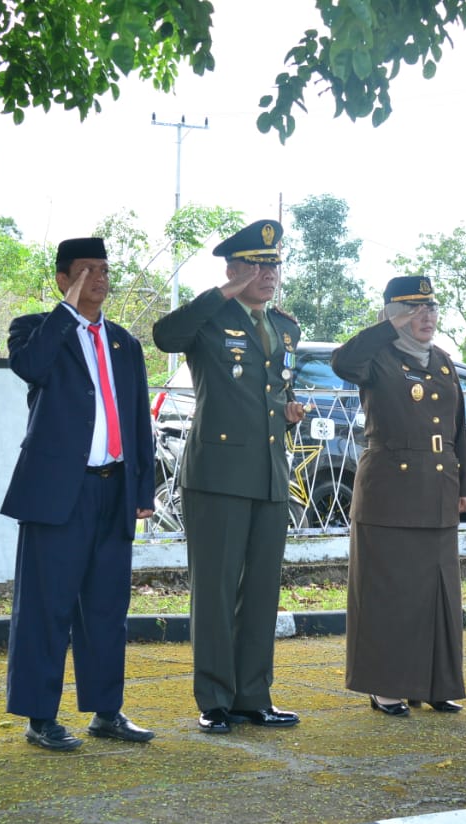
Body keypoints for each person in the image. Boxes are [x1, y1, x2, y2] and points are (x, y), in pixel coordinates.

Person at [1, 237, 157, 751]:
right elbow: (31, 368)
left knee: (107, 607)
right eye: (87, 271)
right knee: (47, 607)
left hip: (113, 489)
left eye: (106, 270)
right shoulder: (35, 330)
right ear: (63, 279)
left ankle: (106, 710)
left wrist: (143, 489)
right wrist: (66, 312)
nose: (100, 279)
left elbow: (138, 420)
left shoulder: (124, 343)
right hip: (56, 492)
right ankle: (39, 715)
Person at [152, 219, 306, 734]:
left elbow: (268, 389)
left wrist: (287, 407)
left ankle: (252, 696)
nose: (269, 274)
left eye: (274, 264)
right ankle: (214, 698)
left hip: (268, 472)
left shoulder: (285, 327)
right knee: (215, 590)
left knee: (261, 590)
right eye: (258, 265)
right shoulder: (210, 318)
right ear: (233, 268)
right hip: (217, 473)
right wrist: (221, 293)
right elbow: (164, 335)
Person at [331, 276, 466, 717]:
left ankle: (435, 684)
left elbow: (457, 430)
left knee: (438, 593)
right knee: (389, 594)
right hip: (390, 492)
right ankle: (386, 685)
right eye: (414, 308)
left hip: (438, 492)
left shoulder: (444, 361)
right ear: (393, 314)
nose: (426, 316)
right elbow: (341, 360)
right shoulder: (377, 357)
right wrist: (387, 327)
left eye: (431, 307)